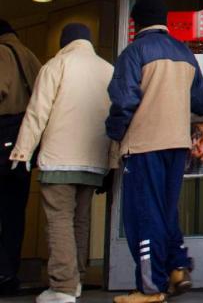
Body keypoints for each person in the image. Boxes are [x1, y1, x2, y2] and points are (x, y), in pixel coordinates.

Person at [106, 0, 203, 303]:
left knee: (144, 214)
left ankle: (149, 288)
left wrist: (113, 132)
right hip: (177, 144)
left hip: (144, 144)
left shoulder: (134, 52)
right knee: (166, 211)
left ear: (135, 24)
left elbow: (124, 101)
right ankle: (177, 266)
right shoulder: (184, 53)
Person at [8, 24, 111, 303]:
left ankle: (63, 286)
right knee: (80, 220)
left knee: (59, 221)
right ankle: (76, 278)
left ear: (64, 42)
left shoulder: (57, 64)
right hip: (94, 160)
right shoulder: (107, 69)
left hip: (59, 159)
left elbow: (37, 113)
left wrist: (21, 152)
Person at [0, 18, 43, 296]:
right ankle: (8, 272)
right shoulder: (31, 56)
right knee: (15, 211)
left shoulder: (2, 52)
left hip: (3, 136)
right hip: (23, 142)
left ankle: (2, 271)